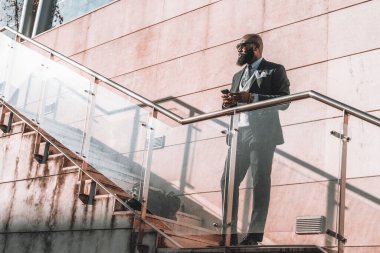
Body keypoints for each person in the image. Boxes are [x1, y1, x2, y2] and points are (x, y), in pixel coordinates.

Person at [220, 34, 290, 246]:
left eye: (243, 46)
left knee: (260, 182)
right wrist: (227, 103)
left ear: (257, 47)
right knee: (227, 181)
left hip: (263, 133)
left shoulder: (275, 69)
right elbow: (232, 106)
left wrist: (252, 98)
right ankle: (229, 233)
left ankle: (253, 235)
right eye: (238, 46)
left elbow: (284, 101)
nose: (239, 50)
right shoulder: (237, 76)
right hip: (238, 133)